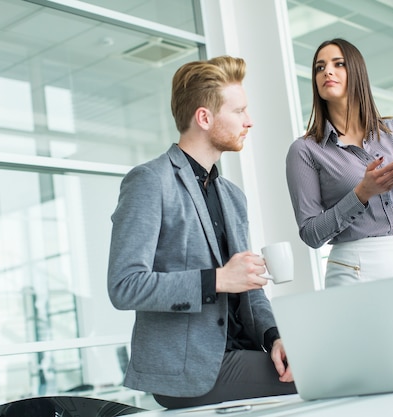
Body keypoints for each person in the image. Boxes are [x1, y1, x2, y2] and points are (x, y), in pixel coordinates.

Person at [107, 56, 296, 409]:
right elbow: (124, 286)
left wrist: (274, 337)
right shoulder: (149, 182)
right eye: (239, 111)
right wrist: (217, 280)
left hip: (240, 354)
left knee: (308, 360)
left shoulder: (232, 197)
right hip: (186, 372)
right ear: (205, 118)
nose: (249, 121)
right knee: (320, 371)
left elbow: (249, 289)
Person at [285, 38, 393, 288]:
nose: (327, 71)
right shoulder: (305, 150)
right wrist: (362, 193)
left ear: (357, 72)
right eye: (320, 67)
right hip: (353, 269)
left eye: (338, 64)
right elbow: (310, 234)